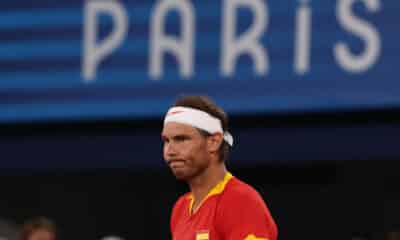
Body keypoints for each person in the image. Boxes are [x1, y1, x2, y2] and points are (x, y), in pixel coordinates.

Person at [161, 95, 278, 240]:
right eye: (166, 141)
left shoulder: (239, 200)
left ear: (214, 142)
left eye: (181, 139)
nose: (169, 151)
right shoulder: (180, 208)